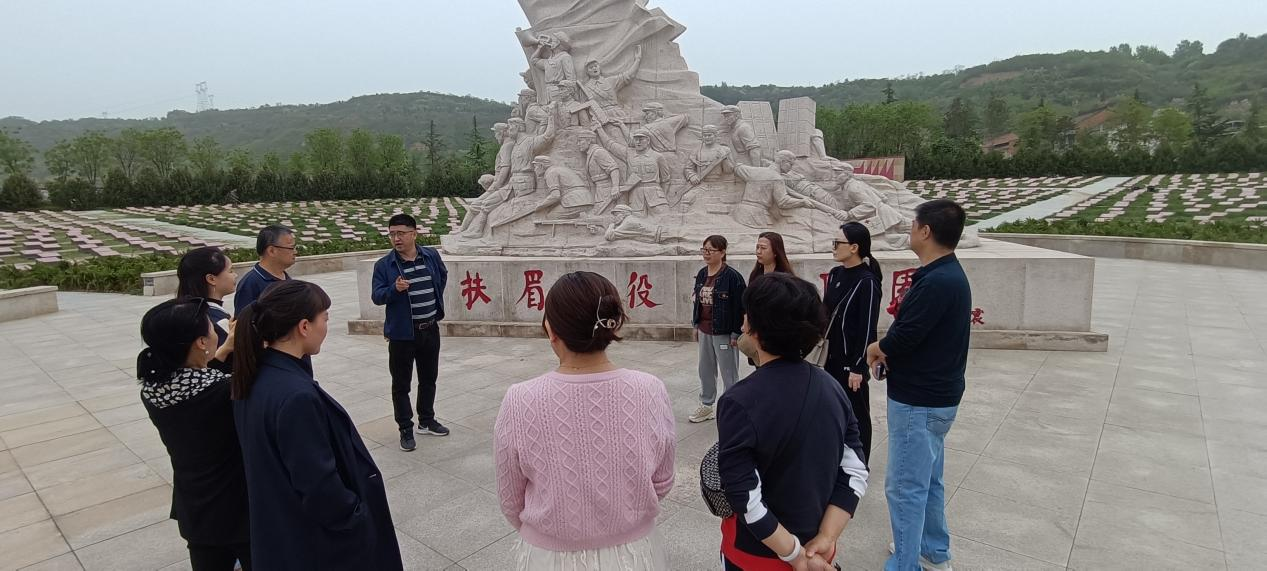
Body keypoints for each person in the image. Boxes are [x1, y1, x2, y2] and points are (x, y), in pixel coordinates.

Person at [494, 271, 676, 570]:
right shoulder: (650, 389)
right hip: (635, 555)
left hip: (549, 558)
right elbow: (663, 480)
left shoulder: (520, 399)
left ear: (550, 329)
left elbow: (510, 499)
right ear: (613, 323)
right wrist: (622, 519)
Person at [232, 281, 403, 571]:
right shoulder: (295, 396)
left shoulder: (255, 377)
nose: (326, 326)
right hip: (316, 545)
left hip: (282, 532)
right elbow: (318, 485)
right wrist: (356, 517)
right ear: (304, 326)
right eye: (324, 319)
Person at [720, 273, 869, 570]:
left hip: (758, 554)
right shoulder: (832, 387)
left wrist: (795, 555)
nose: (742, 323)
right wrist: (826, 537)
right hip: (818, 547)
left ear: (756, 330)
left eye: (746, 316)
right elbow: (854, 469)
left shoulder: (738, 401)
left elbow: (745, 496)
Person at [865, 199, 971, 571]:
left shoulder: (938, 280)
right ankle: (933, 549)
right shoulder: (945, 273)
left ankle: (906, 562)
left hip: (920, 401)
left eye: (913, 224)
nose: (910, 230)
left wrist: (876, 348)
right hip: (937, 396)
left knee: (904, 487)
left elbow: (906, 335)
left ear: (925, 231)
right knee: (929, 480)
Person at [137, 297, 248, 570]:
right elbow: (213, 387)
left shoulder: (153, 392)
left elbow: (194, 381)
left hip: (195, 508)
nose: (215, 331)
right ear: (200, 342)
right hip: (237, 506)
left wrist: (224, 349)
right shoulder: (224, 391)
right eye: (211, 327)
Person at [371, 213, 451, 452]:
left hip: (430, 328)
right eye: (392, 234)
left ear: (414, 234)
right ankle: (405, 428)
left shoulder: (431, 256)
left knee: (428, 378)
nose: (396, 238)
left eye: (401, 233)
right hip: (402, 334)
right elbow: (377, 296)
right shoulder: (384, 265)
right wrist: (394, 289)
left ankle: (426, 420)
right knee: (401, 384)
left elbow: (442, 276)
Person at [823, 222, 883, 465]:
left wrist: (858, 367)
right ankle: (835, 456)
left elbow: (868, 328)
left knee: (857, 415)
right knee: (831, 411)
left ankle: (860, 462)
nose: (834, 247)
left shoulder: (867, 281)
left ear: (854, 247)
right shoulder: (835, 274)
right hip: (829, 358)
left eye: (838, 243)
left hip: (851, 364)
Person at [689, 235, 746, 424]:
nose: (706, 254)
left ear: (722, 252)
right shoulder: (702, 274)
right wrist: (696, 324)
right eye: (704, 249)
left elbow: (740, 307)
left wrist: (736, 333)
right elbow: (697, 302)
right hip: (705, 329)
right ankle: (706, 405)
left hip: (724, 332)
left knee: (729, 372)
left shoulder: (732, 277)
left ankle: (732, 408)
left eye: (710, 250)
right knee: (705, 369)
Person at [176, 246, 238, 372]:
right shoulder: (212, 321)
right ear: (211, 279)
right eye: (230, 271)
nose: (235, 275)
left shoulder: (186, 311)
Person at [233, 225, 296, 313]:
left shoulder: (286, 278)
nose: (295, 252)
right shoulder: (250, 284)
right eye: (291, 248)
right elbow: (243, 319)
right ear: (271, 251)